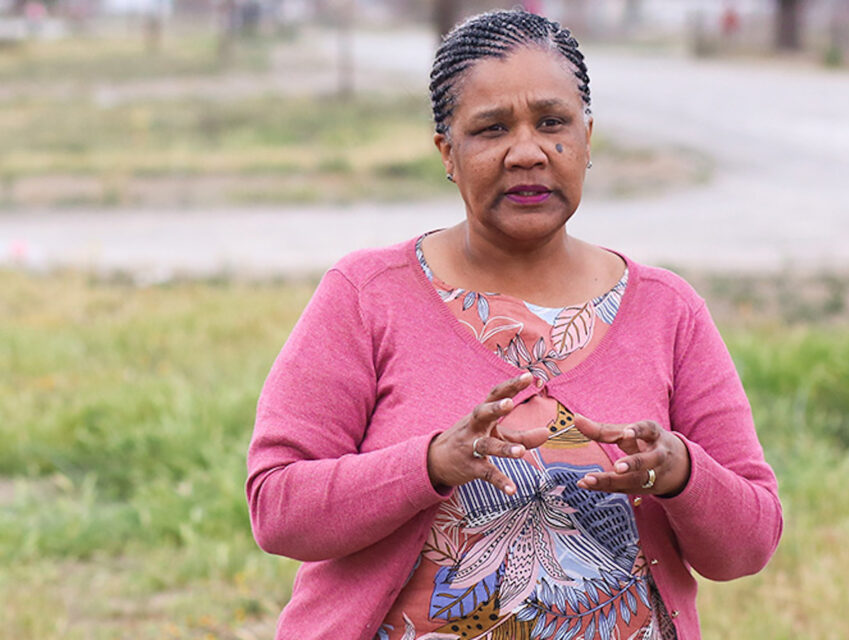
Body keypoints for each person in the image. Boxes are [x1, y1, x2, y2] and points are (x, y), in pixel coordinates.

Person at [246, 10, 782, 640]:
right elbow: (278, 508)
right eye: (491, 128)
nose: (526, 151)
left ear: (587, 138)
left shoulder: (668, 311)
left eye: (552, 123)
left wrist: (683, 473)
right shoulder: (367, 296)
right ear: (447, 150)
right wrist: (431, 464)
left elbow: (749, 543)